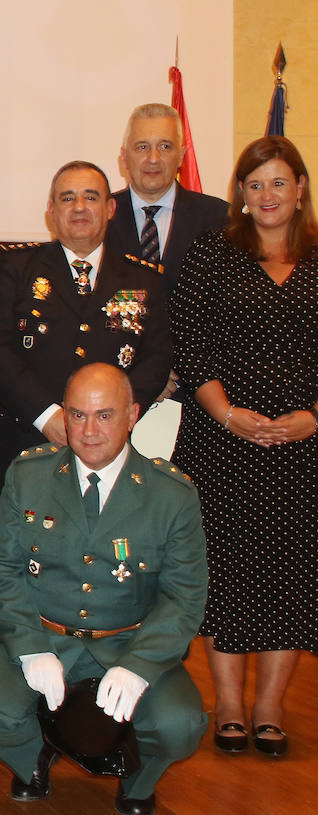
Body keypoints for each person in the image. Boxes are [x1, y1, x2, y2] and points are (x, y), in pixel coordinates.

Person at [0, 363, 207, 815]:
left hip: (129, 640)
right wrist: (28, 646)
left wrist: (141, 665)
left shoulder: (172, 495)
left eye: (104, 415)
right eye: (77, 415)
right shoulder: (29, 475)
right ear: (63, 416)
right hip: (44, 635)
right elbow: (3, 568)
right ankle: (34, 760)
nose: (88, 431)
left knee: (180, 725)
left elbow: (185, 596)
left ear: (132, 415)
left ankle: (137, 780)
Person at [170, 135, 318, 759]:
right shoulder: (210, 255)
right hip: (220, 439)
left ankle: (270, 707)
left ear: (301, 189)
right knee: (227, 571)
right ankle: (229, 704)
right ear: (240, 194)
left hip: (303, 444)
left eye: (279, 183)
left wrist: (311, 417)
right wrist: (228, 414)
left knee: (290, 574)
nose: (267, 196)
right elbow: (190, 345)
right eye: (255, 185)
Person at [0, 161, 173, 538]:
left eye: (91, 197)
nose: (80, 207)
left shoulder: (144, 278)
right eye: (67, 198)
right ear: (51, 211)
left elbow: (157, 359)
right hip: (25, 445)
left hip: (112, 452)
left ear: (110, 208)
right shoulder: (15, 267)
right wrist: (49, 416)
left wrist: (107, 421)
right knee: (16, 565)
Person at [106, 104, 229, 293]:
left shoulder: (218, 217)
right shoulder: (99, 216)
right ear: (124, 157)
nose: (153, 158)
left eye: (165, 146)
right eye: (142, 147)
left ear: (180, 156)